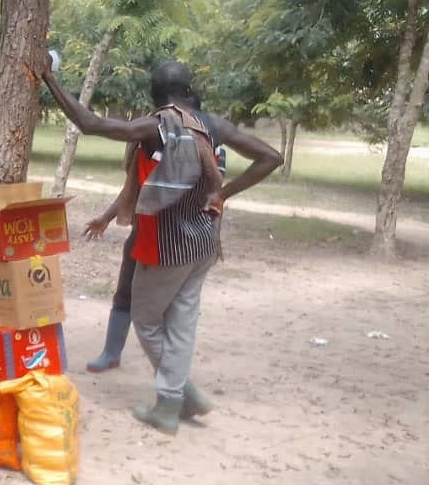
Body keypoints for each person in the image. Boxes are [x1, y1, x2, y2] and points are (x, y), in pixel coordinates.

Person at [43, 59, 281, 434]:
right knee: (182, 322)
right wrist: (223, 192)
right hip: (204, 242)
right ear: (189, 92)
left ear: (154, 97)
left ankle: (173, 397)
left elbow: (90, 123)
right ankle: (179, 397)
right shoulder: (213, 125)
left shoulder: (156, 125)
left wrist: (48, 77)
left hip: (166, 246)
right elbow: (272, 157)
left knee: (148, 320)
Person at [83, 95, 226, 374]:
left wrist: (212, 236)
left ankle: (173, 379)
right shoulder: (155, 138)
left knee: (163, 312)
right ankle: (113, 353)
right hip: (146, 232)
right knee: (127, 291)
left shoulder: (202, 144)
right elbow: (134, 190)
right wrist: (105, 218)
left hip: (177, 241)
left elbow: (217, 194)